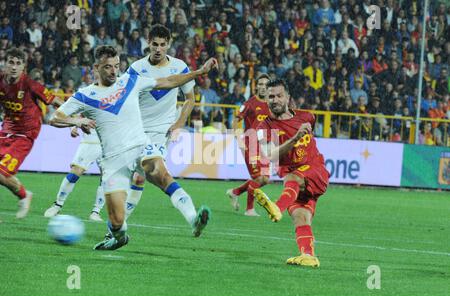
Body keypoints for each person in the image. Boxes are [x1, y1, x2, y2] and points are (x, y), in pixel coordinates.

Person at [49, 45, 217, 250]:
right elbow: (55, 118)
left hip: (140, 146)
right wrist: (76, 121)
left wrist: (199, 72)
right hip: (113, 160)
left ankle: (194, 220)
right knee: (117, 220)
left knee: (159, 172)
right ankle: (118, 237)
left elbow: (169, 81)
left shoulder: (130, 81)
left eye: (116, 66)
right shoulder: (85, 95)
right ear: (96, 67)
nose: (113, 71)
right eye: (108, 67)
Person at [122, 24, 210, 237]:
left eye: (163, 44)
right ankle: (117, 225)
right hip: (136, 131)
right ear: (148, 43)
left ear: (169, 45)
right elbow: (123, 98)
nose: (158, 48)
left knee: (154, 173)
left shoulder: (180, 67)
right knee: (141, 177)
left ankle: (192, 218)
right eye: (155, 44)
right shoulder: (136, 69)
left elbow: (190, 99)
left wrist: (180, 122)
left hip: (162, 132)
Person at [253, 79, 330, 268]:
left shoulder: (306, 117)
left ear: (288, 98)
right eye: (271, 96)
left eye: (279, 95)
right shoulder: (263, 128)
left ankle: (277, 206)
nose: (274, 100)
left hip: (315, 171)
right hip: (294, 186)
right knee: (301, 217)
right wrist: (296, 138)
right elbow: (270, 156)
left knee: (292, 176)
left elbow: (311, 126)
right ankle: (309, 255)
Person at [0, 48, 65, 218]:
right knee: (2, 175)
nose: (14, 67)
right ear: (5, 64)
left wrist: (74, 116)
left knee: (1, 173)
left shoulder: (30, 84)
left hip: (25, 134)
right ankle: (24, 195)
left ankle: (23, 195)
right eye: (11, 62)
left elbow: (54, 100)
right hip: (6, 130)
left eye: (18, 63)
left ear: (23, 67)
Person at [226, 73, 271, 217]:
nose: (263, 87)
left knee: (265, 179)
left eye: (266, 85)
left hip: (265, 145)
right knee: (258, 178)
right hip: (250, 143)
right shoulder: (250, 103)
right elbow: (236, 119)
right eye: (260, 84)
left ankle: (235, 192)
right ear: (256, 86)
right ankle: (249, 209)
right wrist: (237, 137)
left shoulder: (271, 104)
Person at [43, 127, 105, 222]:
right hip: (91, 138)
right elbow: (75, 113)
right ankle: (57, 205)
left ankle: (96, 212)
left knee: (107, 179)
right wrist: (73, 127)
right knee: (75, 172)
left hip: (111, 142)